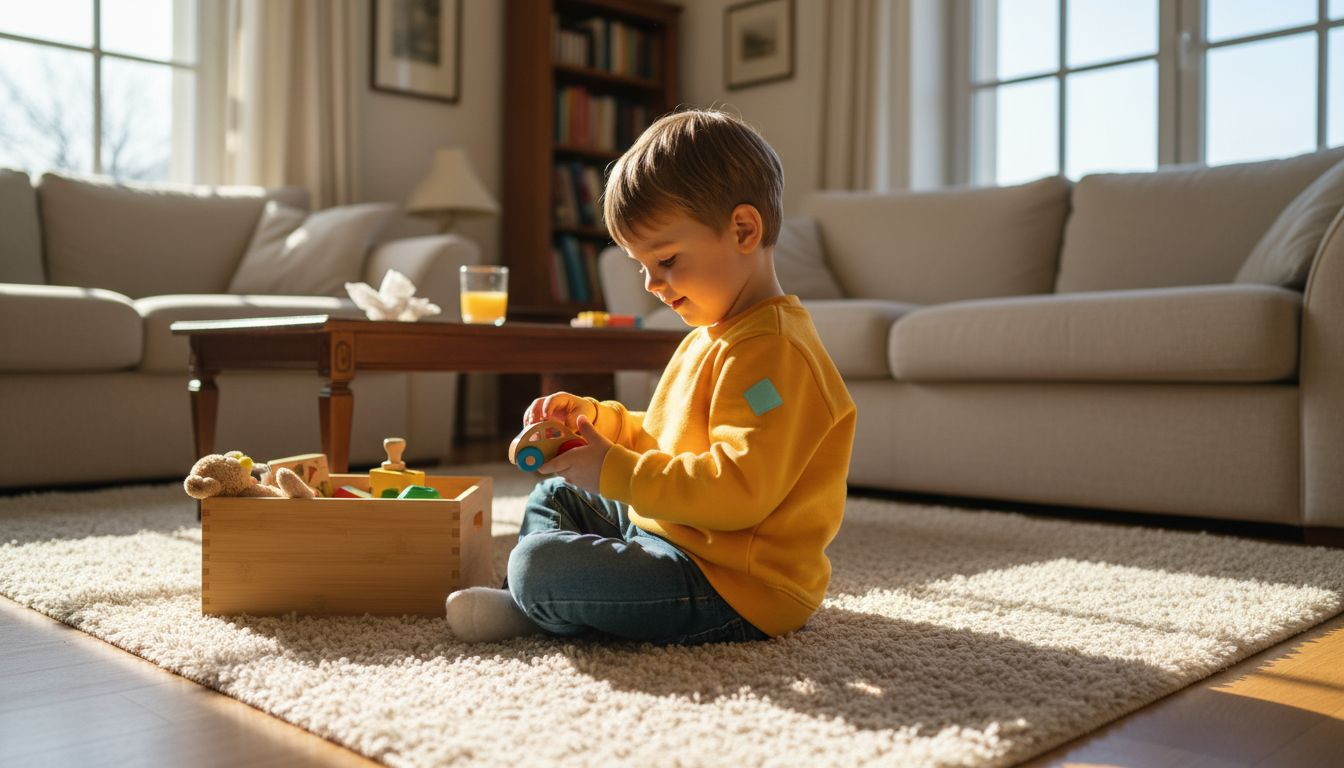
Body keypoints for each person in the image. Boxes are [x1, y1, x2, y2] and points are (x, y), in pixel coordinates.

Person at [444, 108, 856, 644]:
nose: (651, 284)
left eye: (666, 260)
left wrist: (613, 470)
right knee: (557, 495)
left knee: (537, 563)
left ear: (743, 230)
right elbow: (666, 439)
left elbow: (738, 491)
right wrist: (596, 425)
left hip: (733, 582)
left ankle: (535, 600)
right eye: (642, 266)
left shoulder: (774, 354)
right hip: (676, 533)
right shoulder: (711, 335)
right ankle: (540, 601)